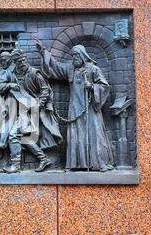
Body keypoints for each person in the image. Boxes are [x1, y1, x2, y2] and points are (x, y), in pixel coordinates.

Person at [36, 39, 114, 171]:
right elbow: (55, 67)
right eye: (72, 56)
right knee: (76, 135)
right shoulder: (70, 69)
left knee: (94, 134)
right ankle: (77, 164)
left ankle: (97, 163)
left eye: (76, 55)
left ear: (83, 56)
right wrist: (43, 51)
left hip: (90, 108)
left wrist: (93, 87)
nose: (74, 58)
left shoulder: (93, 69)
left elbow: (104, 86)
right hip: (75, 108)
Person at [10, 49, 63, 170]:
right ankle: (43, 159)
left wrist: (38, 105)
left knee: (14, 134)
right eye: (19, 61)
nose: (22, 63)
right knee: (22, 136)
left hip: (35, 110)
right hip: (23, 110)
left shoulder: (35, 73)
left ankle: (16, 165)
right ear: (15, 63)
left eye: (23, 60)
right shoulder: (14, 74)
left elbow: (45, 90)